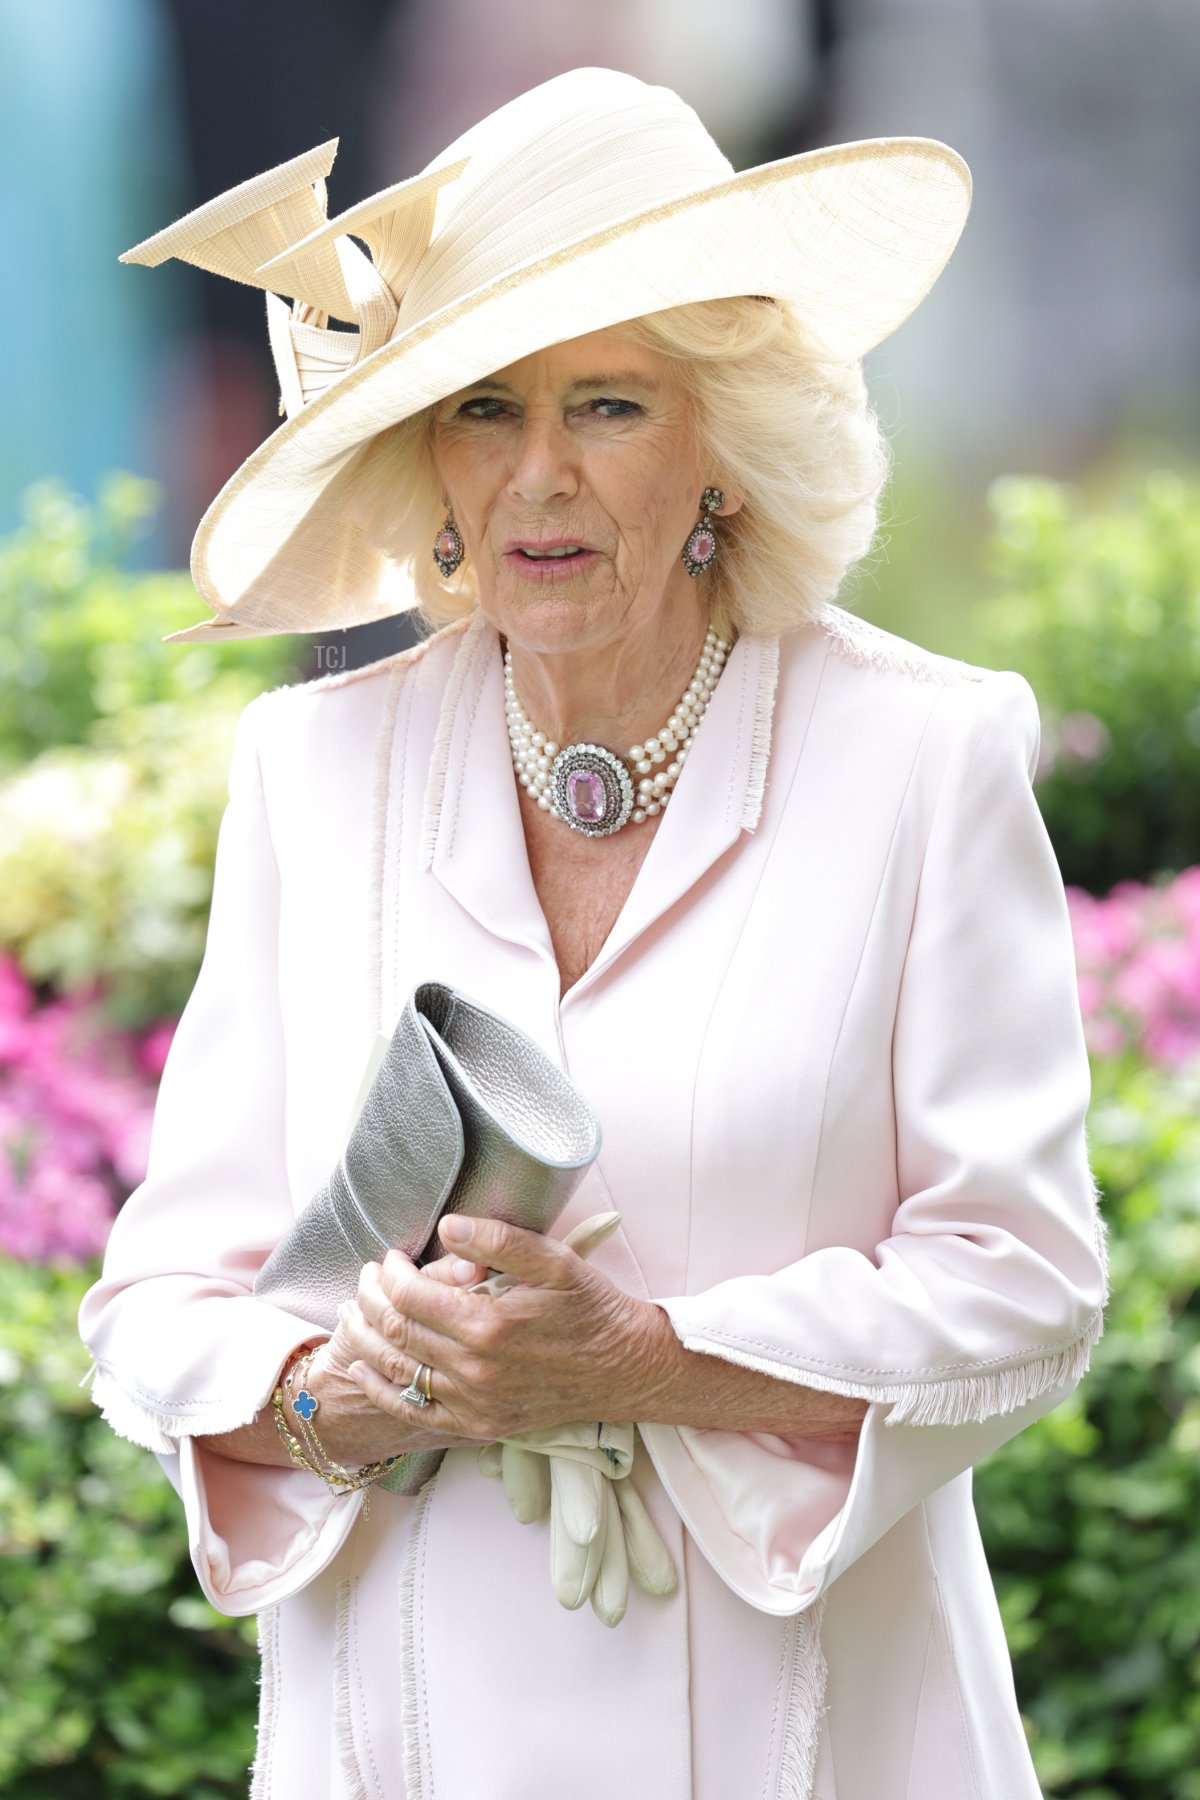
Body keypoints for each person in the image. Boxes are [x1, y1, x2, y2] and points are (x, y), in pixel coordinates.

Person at [79, 69, 1107, 1800]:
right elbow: (159, 1305)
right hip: (402, 1734)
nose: (542, 474)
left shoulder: (927, 756)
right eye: (485, 408)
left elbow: (1027, 1285)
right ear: (431, 466)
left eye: (611, 405)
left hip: (825, 1735)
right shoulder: (311, 772)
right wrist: (344, 1396)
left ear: (723, 441)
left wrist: (645, 1360)